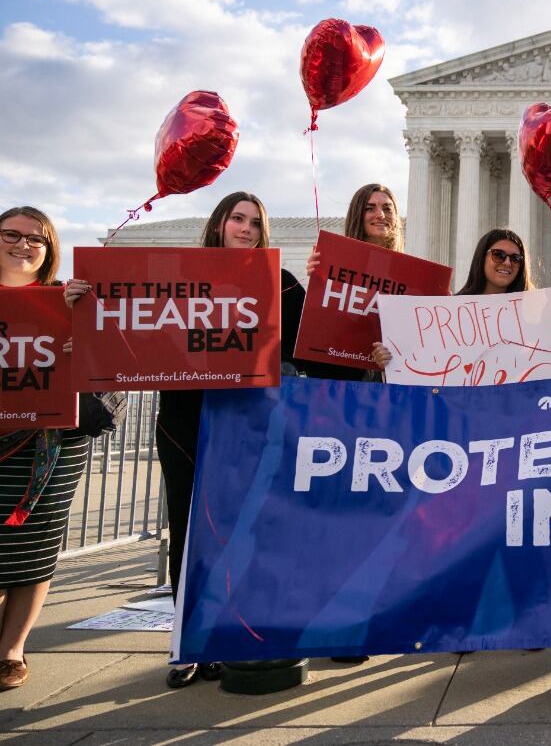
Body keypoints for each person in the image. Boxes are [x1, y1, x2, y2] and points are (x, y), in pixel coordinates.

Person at [65, 192, 306, 688]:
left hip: (248, 423)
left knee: (243, 531)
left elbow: (314, 338)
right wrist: (75, 307)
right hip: (184, 418)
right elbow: (125, 330)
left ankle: (232, 634)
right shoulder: (175, 280)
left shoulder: (279, 283)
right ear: (218, 224)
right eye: (236, 219)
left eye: (255, 222)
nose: (245, 228)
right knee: (188, 526)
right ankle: (189, 642)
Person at [0, 207, 120, 690]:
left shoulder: (67, 300)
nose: (23, 245)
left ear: (50, 249)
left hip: (49, 444)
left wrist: (82, 339)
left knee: (33, 546)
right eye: (12, 234)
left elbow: (110, 363)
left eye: (37, 239)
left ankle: (12, 648)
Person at [371, 228, 551, 369]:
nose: (507, 262)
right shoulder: (449, 312)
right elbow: (425, 362)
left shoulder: (536, 317)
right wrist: (390, 360)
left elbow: (545, 364)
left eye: (515, 258)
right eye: (498, 255)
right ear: (481, 258)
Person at [305, 183, 404, 382]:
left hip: (391, 385)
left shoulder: (410, 275)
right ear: (358, 214)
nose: (380, 215)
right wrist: (317, 285)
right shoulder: (333, 266)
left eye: (387, 208)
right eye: (370, 208)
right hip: (345, 383)